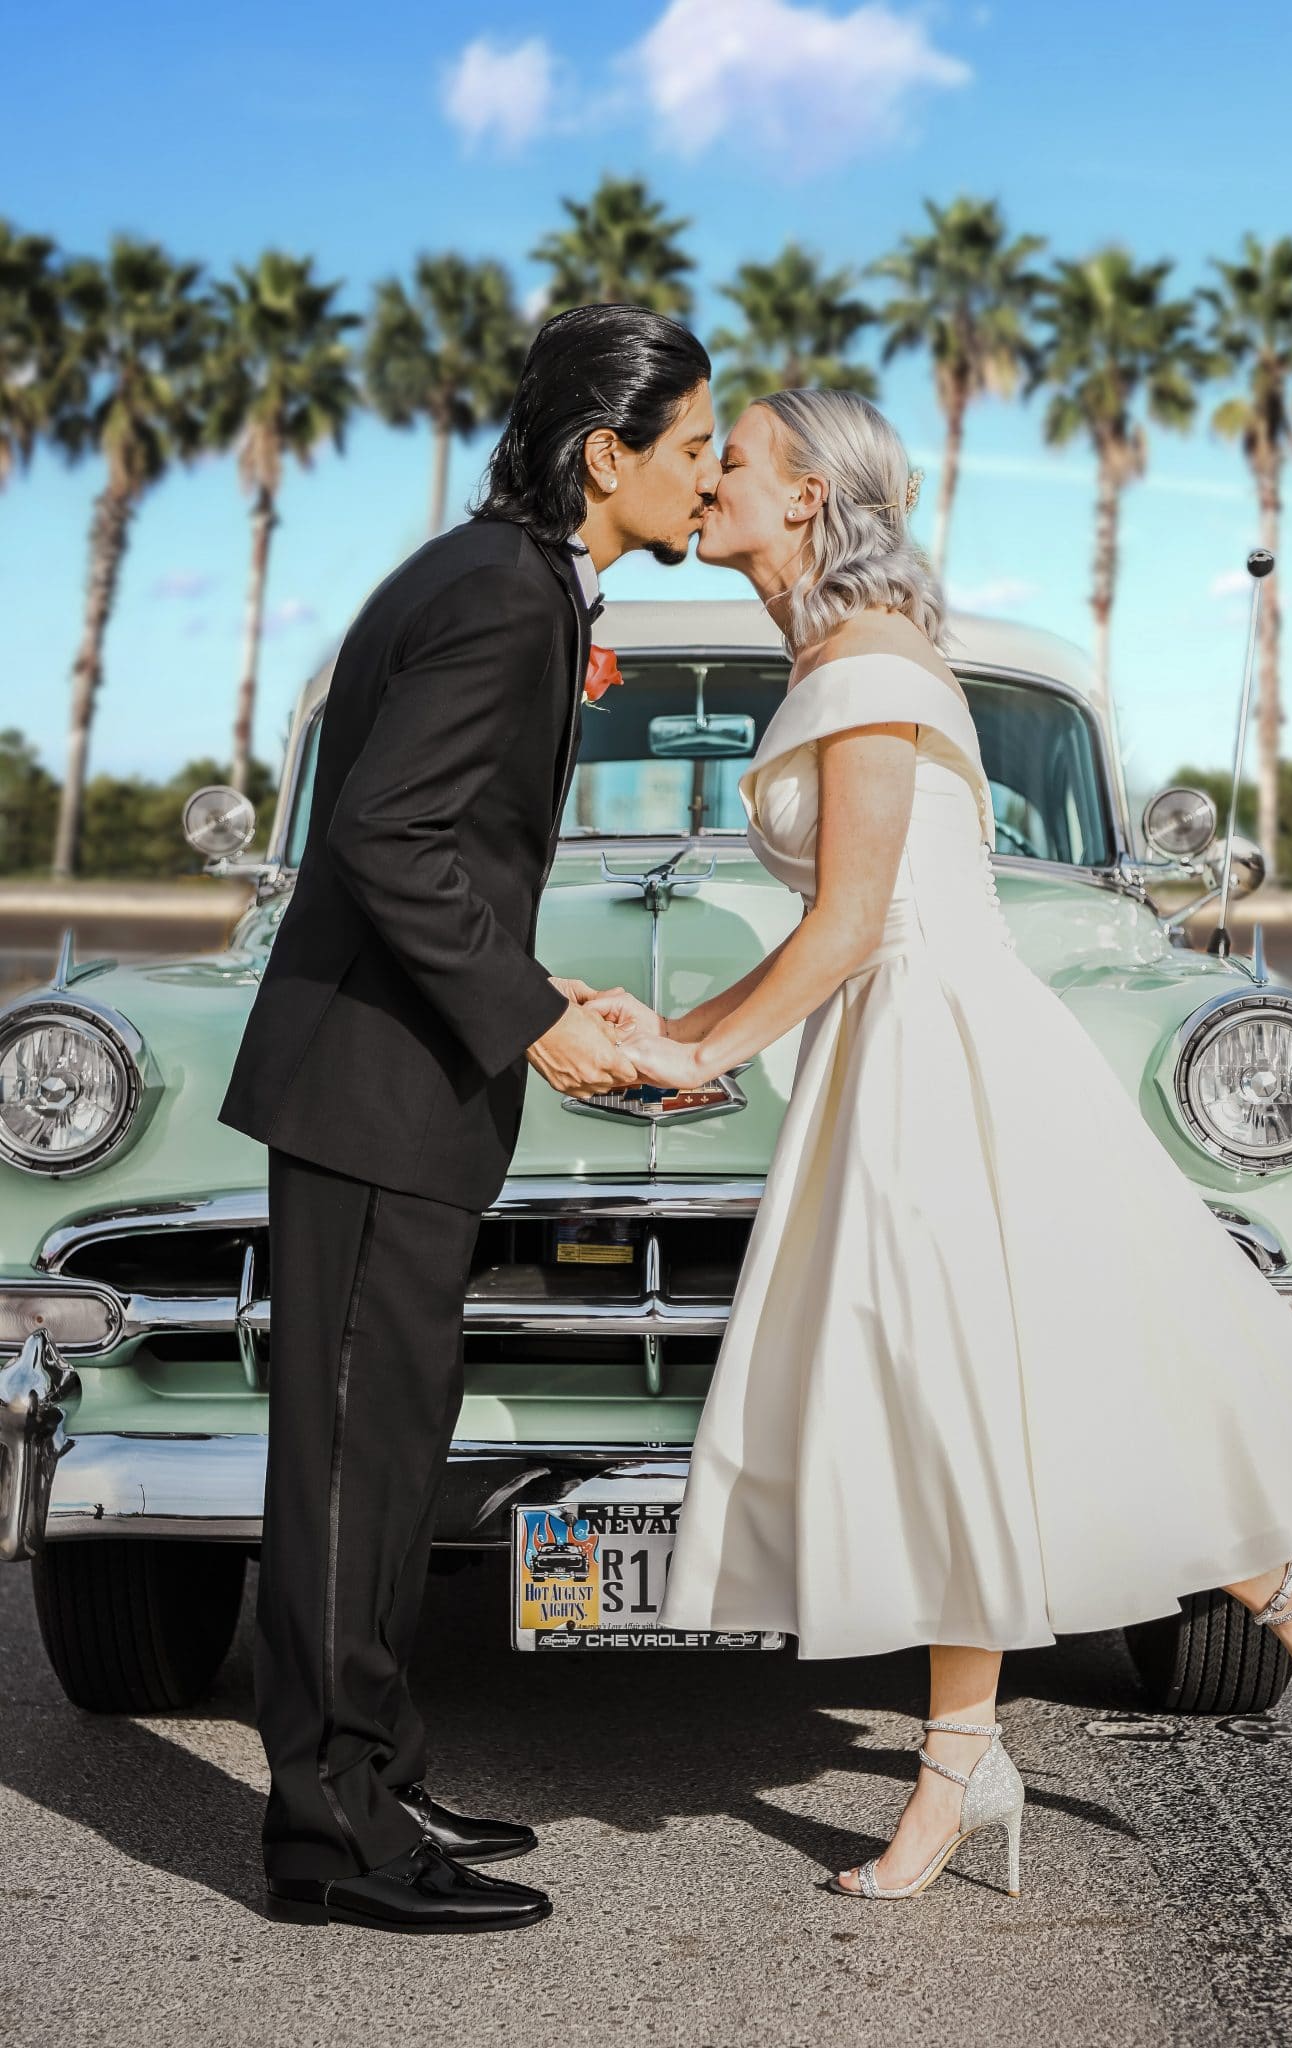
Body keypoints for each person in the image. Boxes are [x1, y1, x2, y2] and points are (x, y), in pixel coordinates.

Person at [589, 387, 1292, 1904]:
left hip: (940, 1056)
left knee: (980, 1396)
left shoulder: (870, 663)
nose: (707, 478)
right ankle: (1040, 1724)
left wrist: (693, 1045)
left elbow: (849, 926)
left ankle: (1032, 1728)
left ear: (812, 502)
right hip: (893, 1050)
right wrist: (675, 1030)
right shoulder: (826, 654)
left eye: (739, 460)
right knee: (969, 1404)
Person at [217, 304, 720, 1933]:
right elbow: (385, 840)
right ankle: (332, 1836)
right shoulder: (507, 597)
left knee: (387, 1451)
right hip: (377, 1092)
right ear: (608, 455)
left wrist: (555, 995)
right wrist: (540, 1024)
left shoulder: (493, 574)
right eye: (694, 450)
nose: (708, 482)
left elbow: (432, 855)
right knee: (356, 1474)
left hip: (402, 1087)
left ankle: (380, 1762)